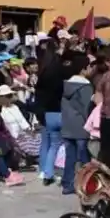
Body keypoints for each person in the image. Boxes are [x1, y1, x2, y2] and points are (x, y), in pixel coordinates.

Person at [60, 53, 95, 195]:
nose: (92, 70)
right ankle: (87, 184)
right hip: (81, 127)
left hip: (67, 126)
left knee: (70, 157)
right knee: (85, 158)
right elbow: (86, 108)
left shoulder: (66, 85)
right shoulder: (85, 87)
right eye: (90, 67)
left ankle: (67, 184)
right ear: (83, 69)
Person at [35, 45, 68, 184]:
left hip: (45, 112)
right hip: (59, 111)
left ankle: (44, 171)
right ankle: (54, 172)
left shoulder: (42, 74)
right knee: (59, 144)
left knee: (47, 144)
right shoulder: (60, 74)